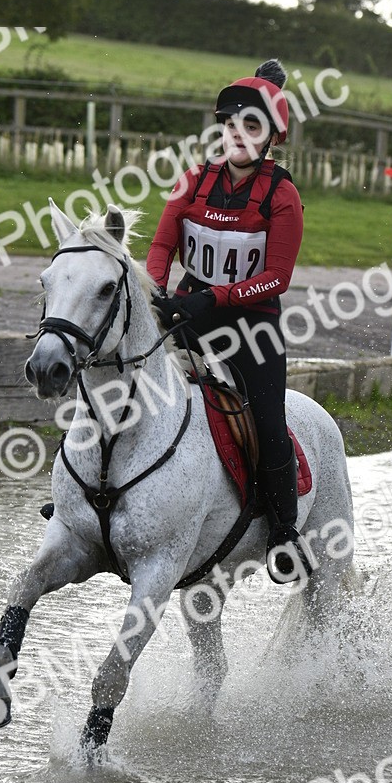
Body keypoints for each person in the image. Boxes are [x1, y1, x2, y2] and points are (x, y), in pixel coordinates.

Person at [147, 58, 309, 583]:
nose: (238, 134)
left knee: (267, 421)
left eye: (252, 126)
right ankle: (79, 498)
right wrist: (157, 291)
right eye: (231, 124)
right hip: (190, 310)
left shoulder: (282, 195)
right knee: (118, 375)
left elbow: (276, 278)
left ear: (270, 140)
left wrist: (212, 299)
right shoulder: (193, 181)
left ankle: (285, 533)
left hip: (251, 325)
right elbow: (161, 244)